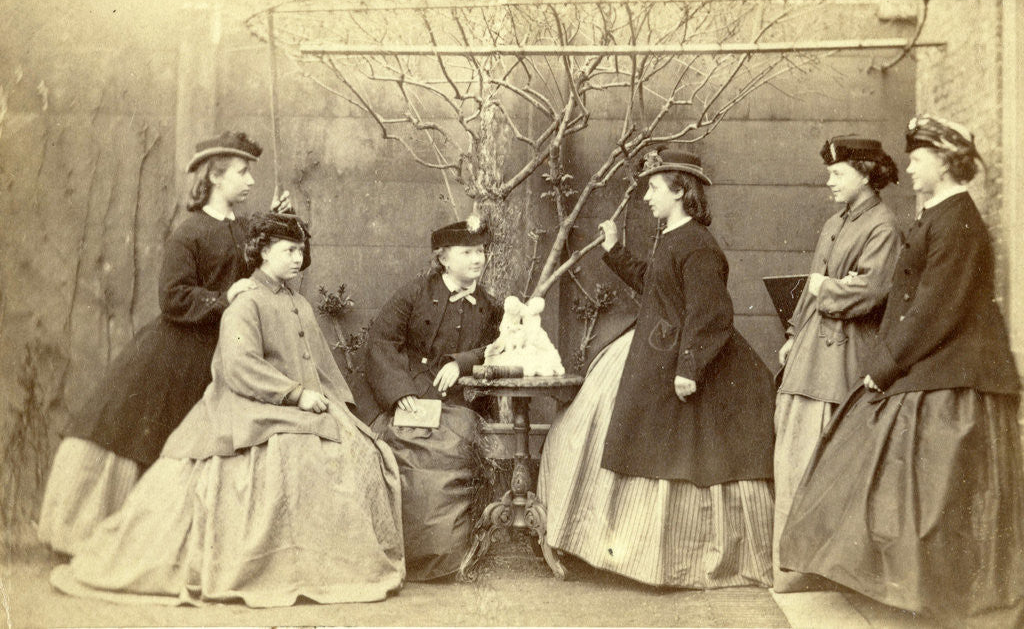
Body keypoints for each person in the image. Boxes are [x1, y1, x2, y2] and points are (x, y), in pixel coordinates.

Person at [50, 212, 404, 607]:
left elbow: (320, 365)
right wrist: (295, 395)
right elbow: (239, 367)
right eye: (288, 250)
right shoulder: (245, 303)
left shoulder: (298, 303)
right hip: (249, 403)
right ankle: (275, 565)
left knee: (361, 449)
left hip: (300, 402)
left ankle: (331, 564)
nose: (296, 259)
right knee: (292, 456)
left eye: (300, 251)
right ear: (263, 253)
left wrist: (334, 403)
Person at [779, 116, 1024, 627]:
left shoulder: (958, 221)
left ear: (943, 161)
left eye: (917, 159)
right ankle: (899, 584)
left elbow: (936, 308)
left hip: (956, 376)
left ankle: (935, 594)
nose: (909, 168)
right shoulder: (940, 214)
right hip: (932, 365)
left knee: (929, 490)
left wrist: (884, 366)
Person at [38, 132, 294, 556]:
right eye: (242, 172)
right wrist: (223, 297)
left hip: (223, 349)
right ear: (215, 176)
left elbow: (263, 261)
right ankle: (100, 533)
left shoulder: (245, 228)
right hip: (176, 351)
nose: (250, 180)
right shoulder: (189, 233)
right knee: (147, 434)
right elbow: (173, 296)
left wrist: (277, 222)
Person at [537, 149, 776, 588]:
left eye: (654, 187)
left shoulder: (699, 246)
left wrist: (689, 368)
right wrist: (614, 252)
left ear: (681, 191)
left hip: (686, 363)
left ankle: (666, 559)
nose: (646, 196)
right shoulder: (673, 236)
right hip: (656, 354)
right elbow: (657, 287)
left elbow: (710, 314)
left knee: (684, 456)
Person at [772, 136, 901, 592]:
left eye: (837, 173)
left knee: (825, 463)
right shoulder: (834, 223)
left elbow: (870, 291)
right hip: (809, 356)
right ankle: (795, 569)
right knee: (793, 457)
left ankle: (825, 573)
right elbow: (816, 287)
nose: (829, 181)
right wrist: (792, 335)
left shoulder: (883, 226)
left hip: (844, 360)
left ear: (865, 175)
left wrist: (825, 288)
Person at [366, 216, 502, 581]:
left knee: (452, 461)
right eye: (467, 252)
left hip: (459, 404)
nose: (478, 259)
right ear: (443, 258)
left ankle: (445, 559)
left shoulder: (489, 305)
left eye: (481, 252)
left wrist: (464, 362)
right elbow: (381, 341)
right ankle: (399, 556)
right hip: (411, 397)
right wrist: (399, 393)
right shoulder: (413, 294)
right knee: (401, 457)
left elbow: (499, 346)